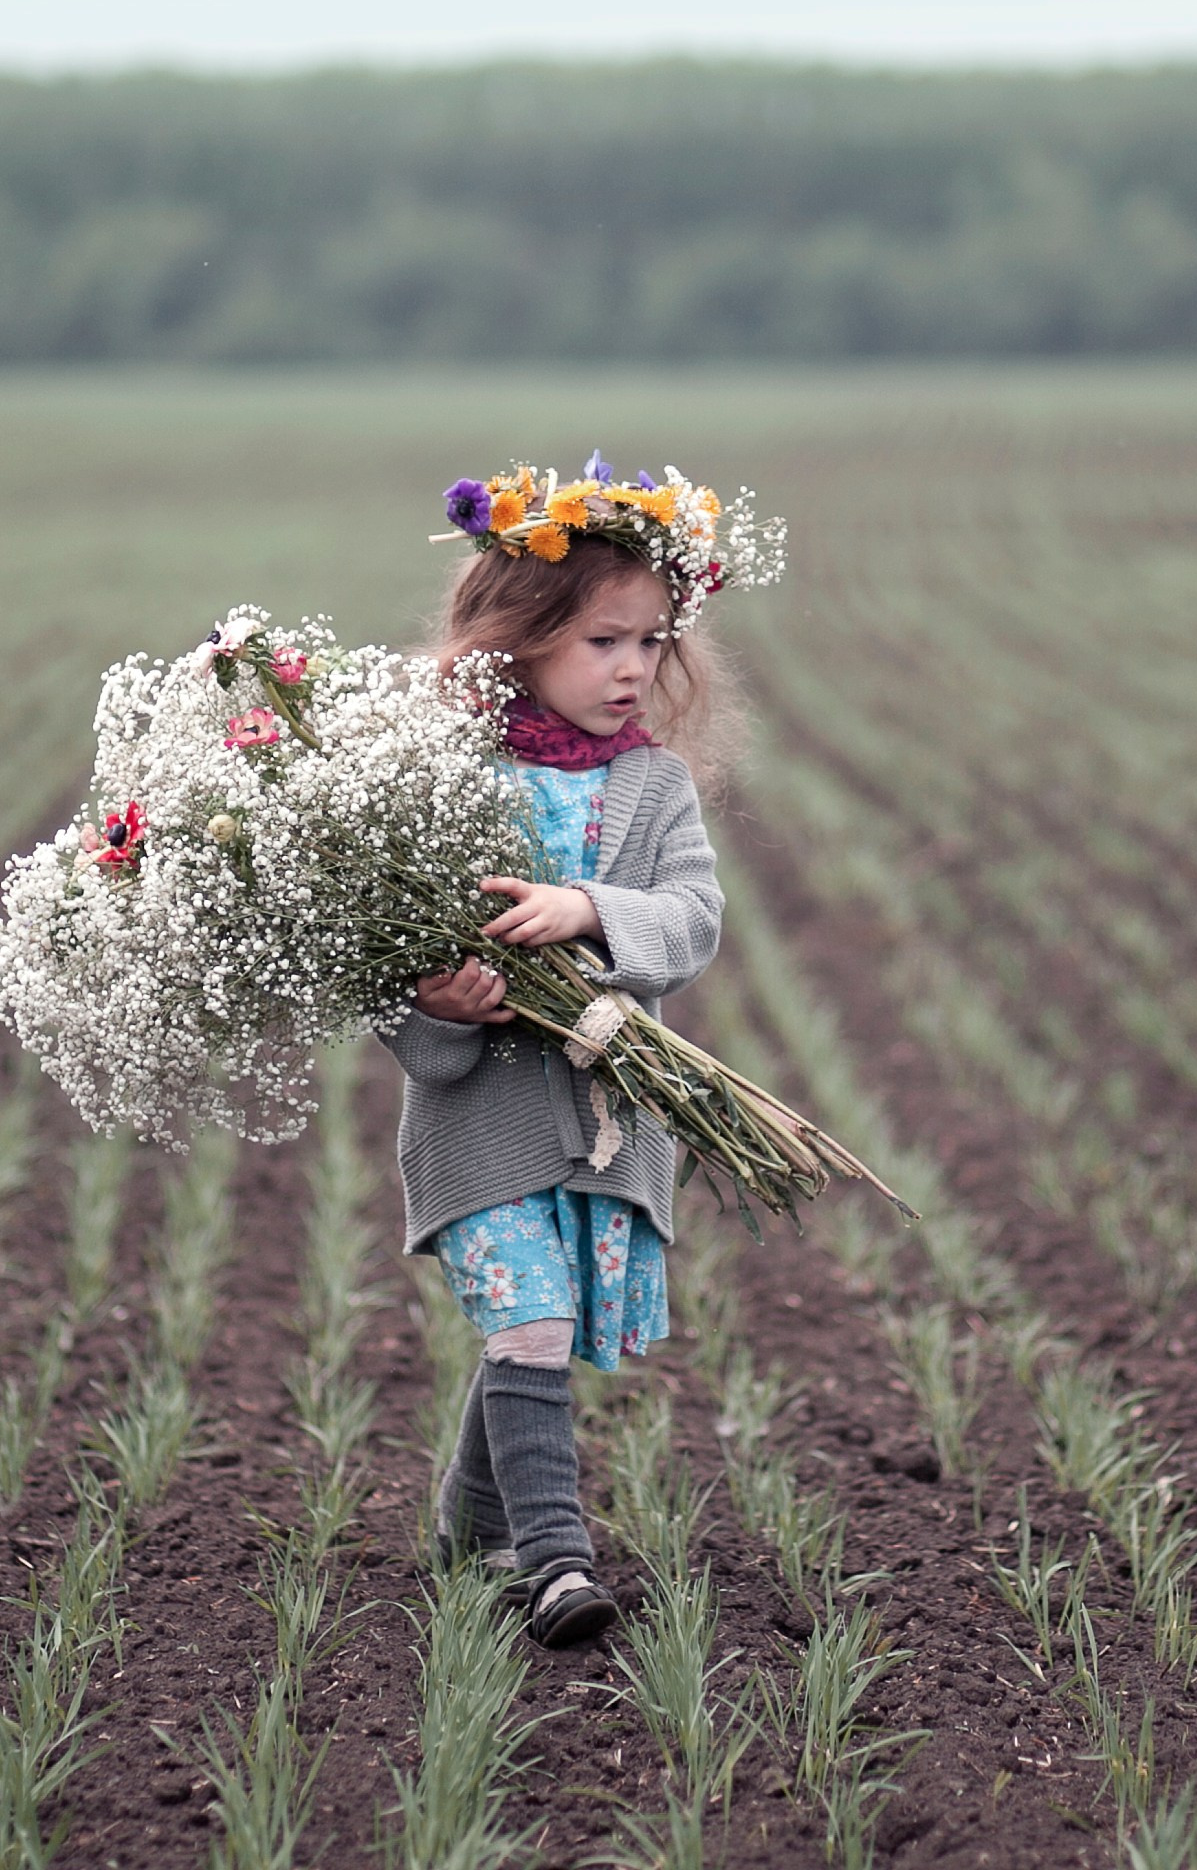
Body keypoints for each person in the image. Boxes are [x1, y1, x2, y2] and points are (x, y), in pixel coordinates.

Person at [382, 455, 774, 1648]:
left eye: (651, 642)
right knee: (531, 1322)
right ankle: (553, 1564)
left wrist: (588, 908)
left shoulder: (654, 786)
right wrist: (445, 1004)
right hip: (481, 1122)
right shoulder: (443, 784)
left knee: (530, 1326)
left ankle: (467, 1525)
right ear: (523, 635)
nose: (632, 667)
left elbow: (694, 920)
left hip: (611, 1119)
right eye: (604, 640)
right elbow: (386, 972)